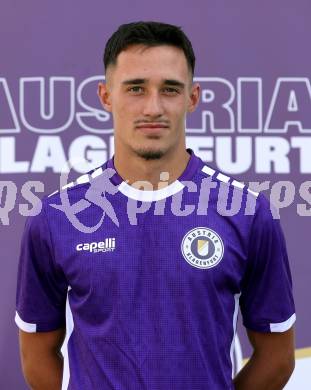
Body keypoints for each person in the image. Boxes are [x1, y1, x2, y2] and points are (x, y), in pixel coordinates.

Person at [16, 21, 296, 389]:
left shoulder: (247, 212)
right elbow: (36, 356)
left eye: (170, 89)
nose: (153, 107)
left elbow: (277, 358)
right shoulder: (56, 217)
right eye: (135, 88)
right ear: (105, 96)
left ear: (192, 98)